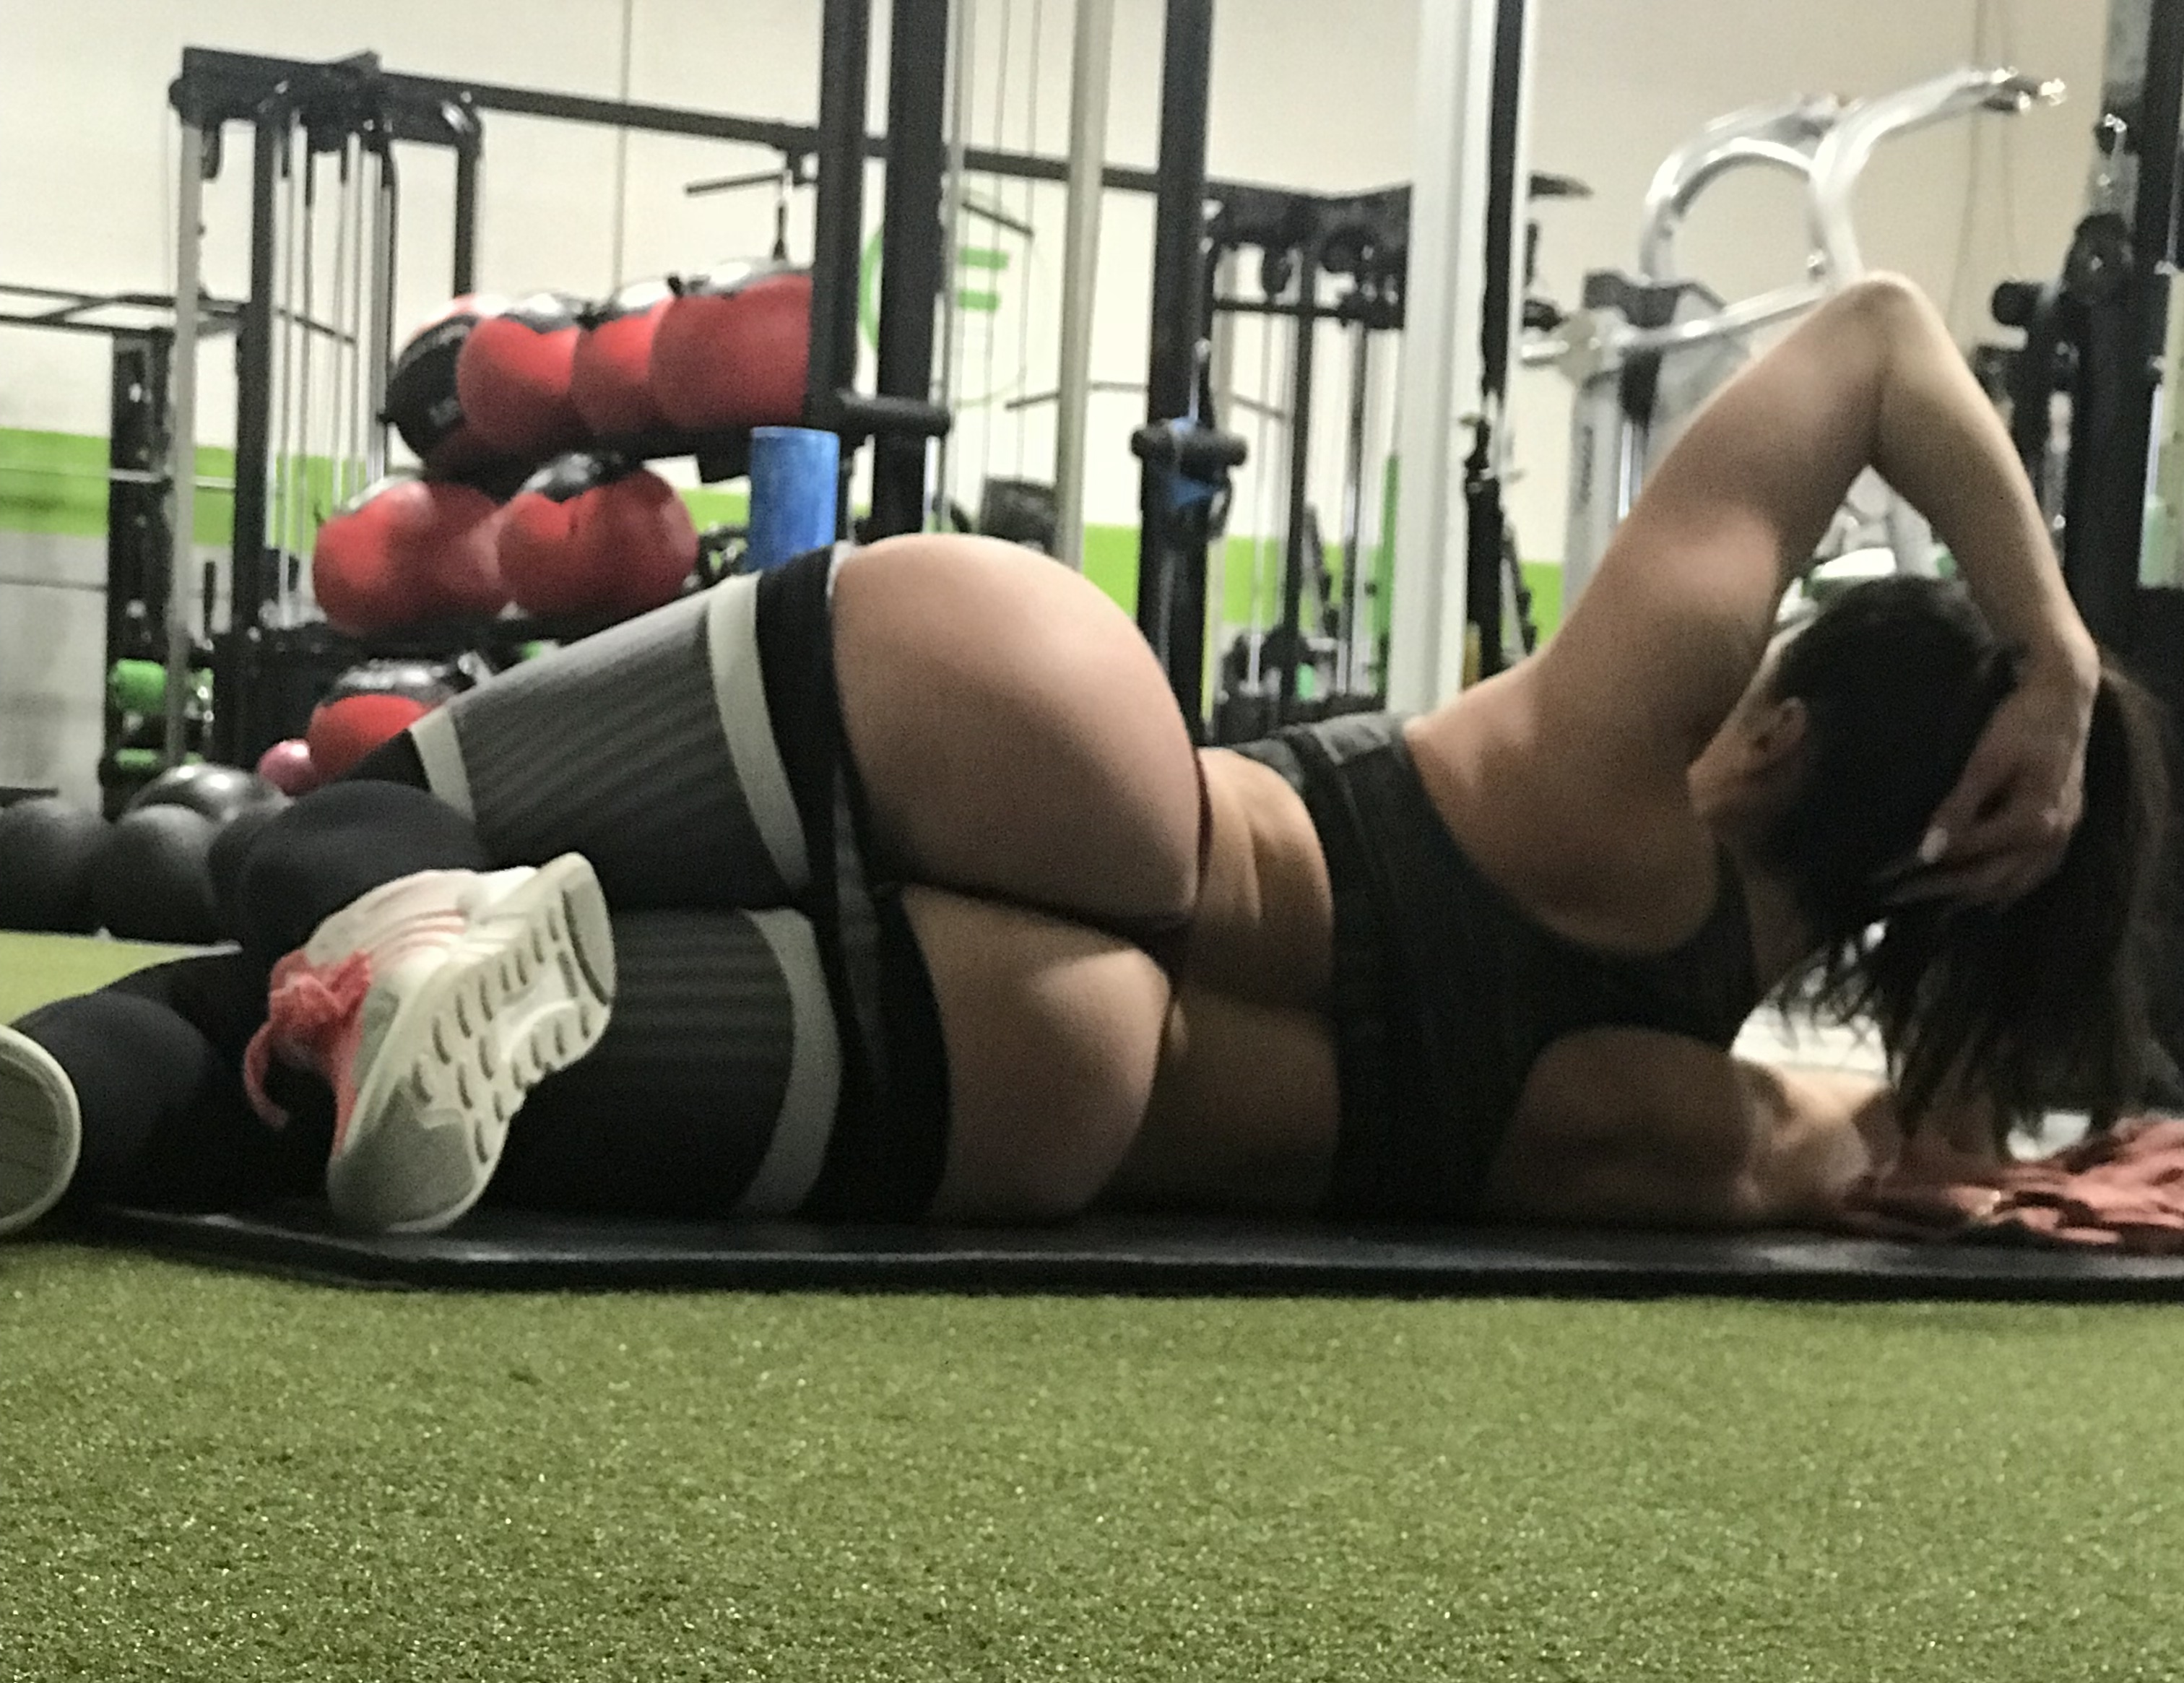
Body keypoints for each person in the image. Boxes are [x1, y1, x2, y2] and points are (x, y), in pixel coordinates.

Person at [0, 269, 2169, 1247]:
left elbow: (1879, 337)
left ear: (1775, 721)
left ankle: (380, 924)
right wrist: (1997, 1059)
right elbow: (1914, 1136)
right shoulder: (1730, 1148)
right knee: (330, 1086)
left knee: (352, 829)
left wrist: (2054, 655)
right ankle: (96, 1107)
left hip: (1056, 734)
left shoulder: (1619, 748)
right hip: (1056, 1079)